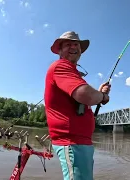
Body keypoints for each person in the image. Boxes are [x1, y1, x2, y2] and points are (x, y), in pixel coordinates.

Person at [44, 31, 111, 180]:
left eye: (76, 44)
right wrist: (104, 97)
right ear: (60, 51)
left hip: (80, 143)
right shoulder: (61, 66)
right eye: (68, 44)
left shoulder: (72, 73)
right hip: (72, 143)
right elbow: (86, 95)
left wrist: (99, 94)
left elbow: (85, 99)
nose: (74, 46)